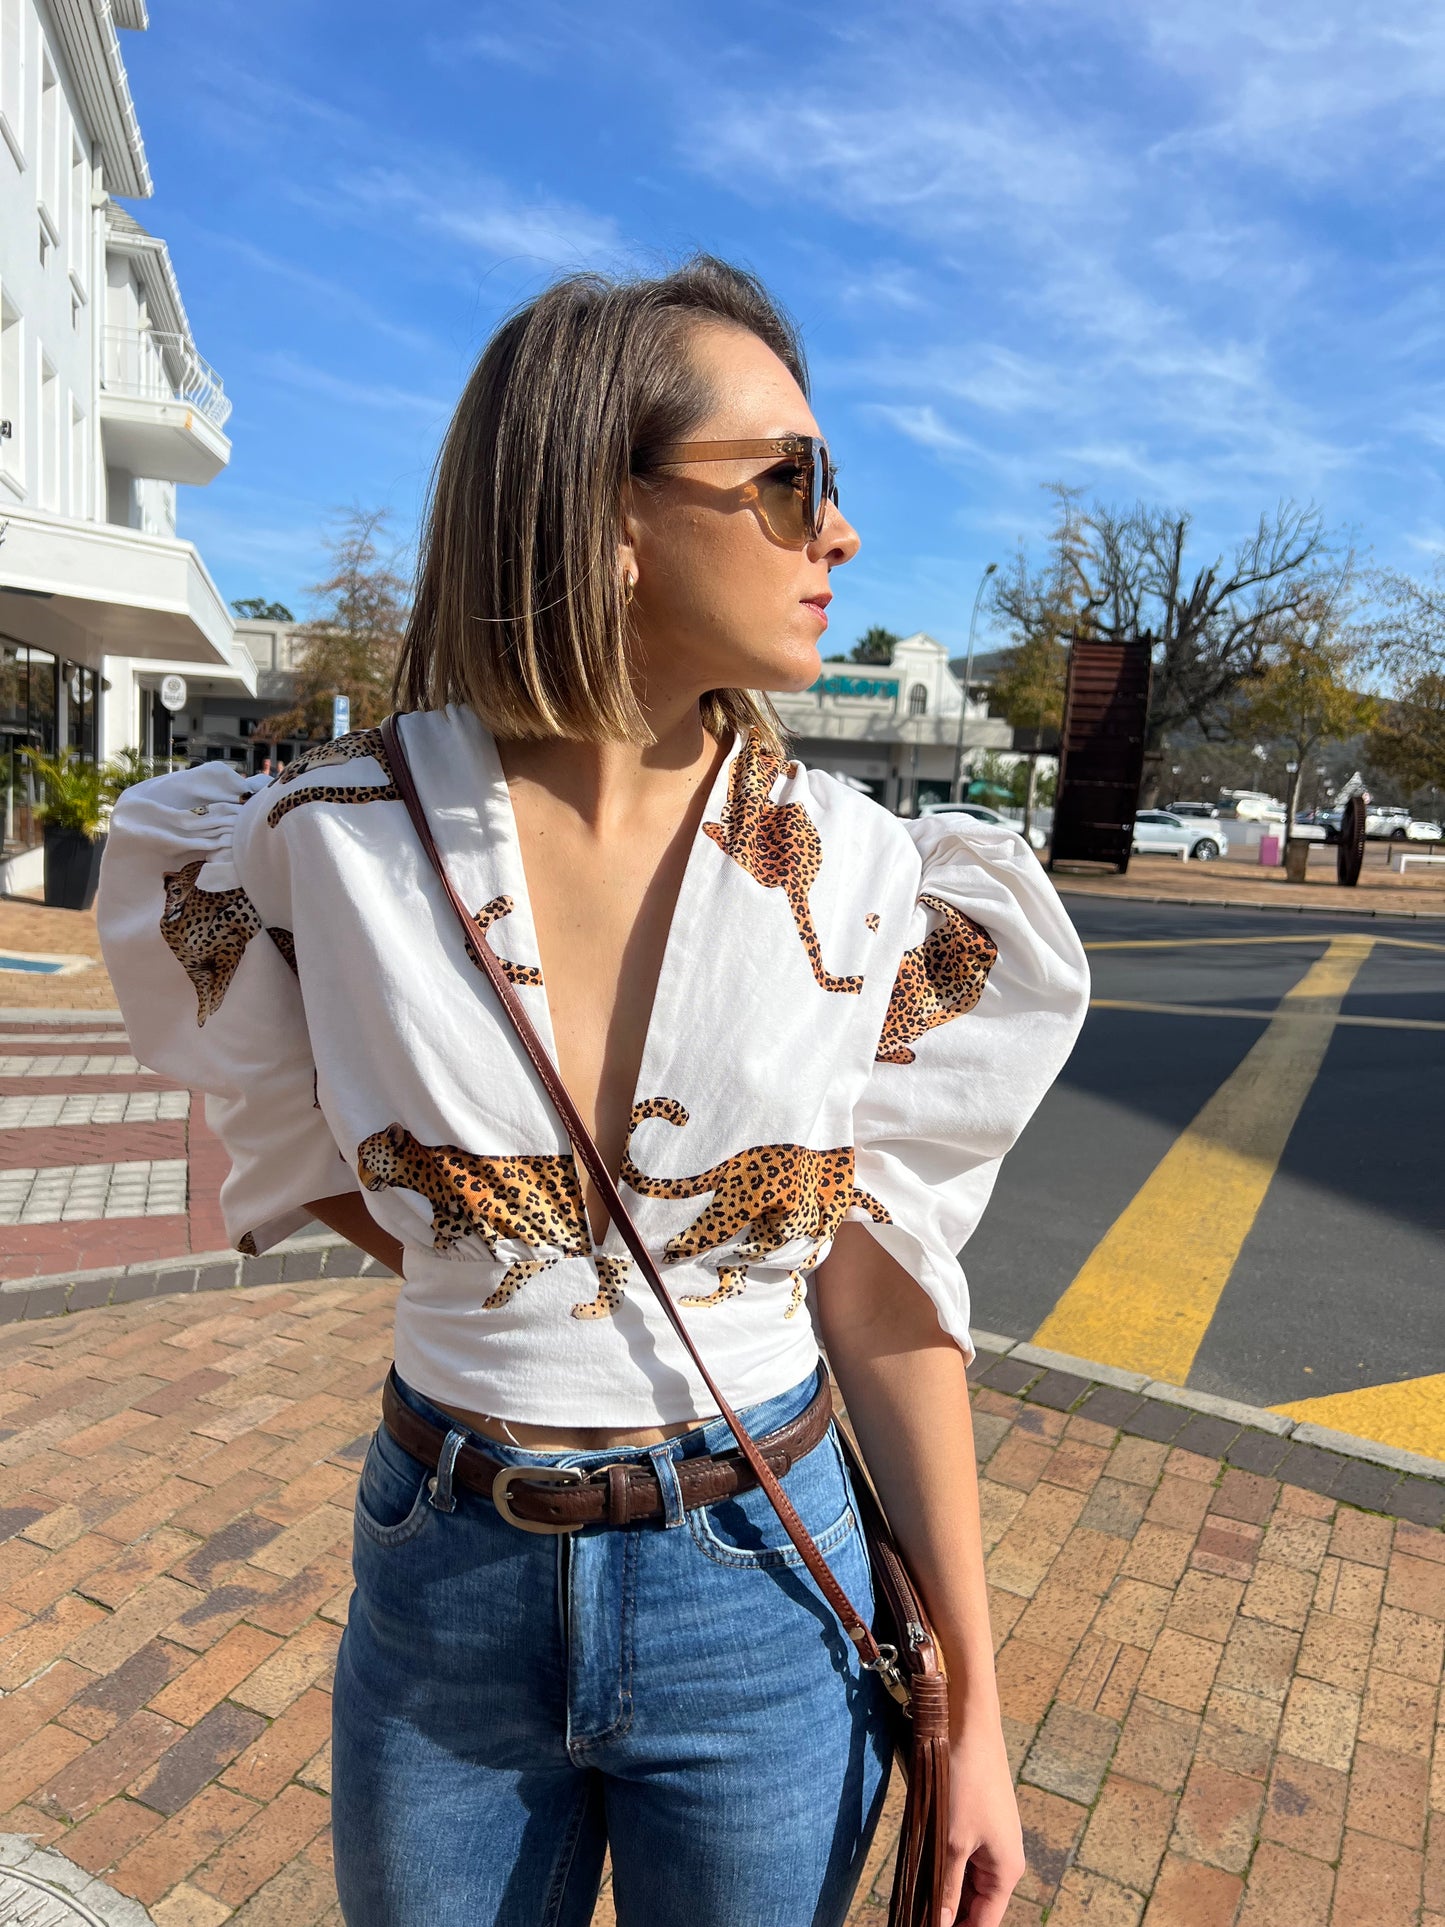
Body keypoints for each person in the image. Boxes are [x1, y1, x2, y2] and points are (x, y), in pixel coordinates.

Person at [97, 258, 1089, 1927]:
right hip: (446, 1571)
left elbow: (884, 1285)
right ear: (606, 511)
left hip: (763, 1577)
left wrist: (975, 1709)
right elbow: (334, 1157)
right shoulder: (320, 844)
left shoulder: (859, 873)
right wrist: (513, 1284)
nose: (837, 531)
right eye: (790, 482)